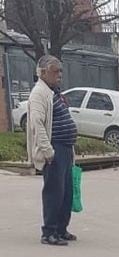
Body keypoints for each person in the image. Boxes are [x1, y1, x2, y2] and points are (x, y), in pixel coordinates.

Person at [27, 55, 79, 246]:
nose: (59, 75)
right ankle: (49, 232)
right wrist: (47, 151)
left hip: (65, 148)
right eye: (55, 71)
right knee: (54, 192)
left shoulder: (54, 92)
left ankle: (61, 229)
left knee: (66, 193)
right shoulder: (39, 93)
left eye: (60, 71)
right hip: (54, 149)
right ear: (42, 73)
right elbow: (37, 124)